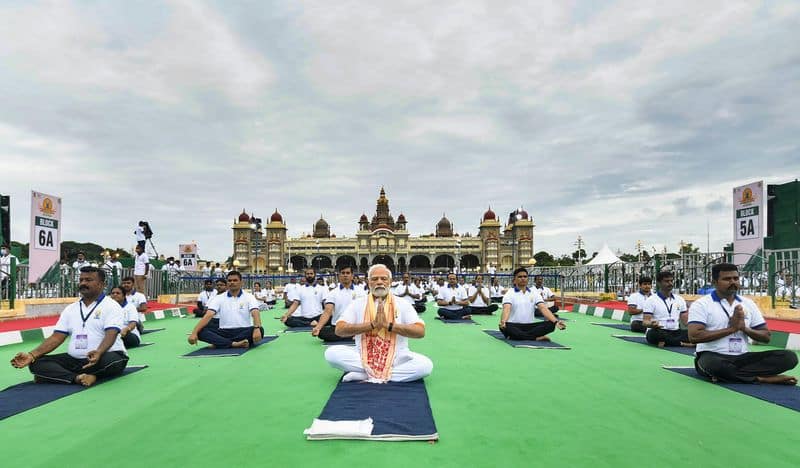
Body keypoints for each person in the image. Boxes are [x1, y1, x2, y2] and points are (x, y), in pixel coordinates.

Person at [10, 267, 128, 386]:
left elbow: (111, 333)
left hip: (104, 356)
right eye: (81, 280)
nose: (83, 283)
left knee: (112, 361)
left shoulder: (112, 306)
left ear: (102, 284)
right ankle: (78, 377)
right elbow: (57, 337)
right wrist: (32, 355)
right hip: (75, 360)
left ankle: (57, 376)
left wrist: (99, 352)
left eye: (88, 280)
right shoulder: (71, 309)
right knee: (37, 363)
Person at [688, 263, 798, 384]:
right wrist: (731, 329)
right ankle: (762, 378)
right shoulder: (702, 304)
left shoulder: (748, 303)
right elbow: (694, 337)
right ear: (714, 282)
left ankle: (734, 375)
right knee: (715, 366)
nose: (733, 282)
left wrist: (745, 329)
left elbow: (766, 337)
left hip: (743, 357)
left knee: (789, 358)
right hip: (712, 355)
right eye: (727, 279)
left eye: (735, 278)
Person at [324, 264, 432, 383]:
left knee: (425, 366)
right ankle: (383, 372)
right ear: (368, 282)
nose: (379, 282)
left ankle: (367, 373)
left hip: (397, 356)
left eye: (383, 279)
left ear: (390, 282)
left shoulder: (403, 303)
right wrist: (372, 325)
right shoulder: (358, 303)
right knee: (331, 354)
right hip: (363, 353)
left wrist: (388, 325)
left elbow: (420, 331)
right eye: (375, 279)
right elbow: (339, 329)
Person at [188, 271, 263, 349]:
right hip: (224, 331)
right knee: (200, 332)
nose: (232, 282)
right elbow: (208, 315)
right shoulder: (219, 298)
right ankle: (233, 344)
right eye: (229, 281)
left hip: (243, 330)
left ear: (241, 282)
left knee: (260, 330)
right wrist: (194, 332)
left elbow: (255, 312)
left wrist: (257, 328)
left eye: (235, 280)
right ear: (227, 283)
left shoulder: (249, 296)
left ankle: (221, 342)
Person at [499, 267, 566, 341]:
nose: (523, 278)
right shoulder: (510, 293)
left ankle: (518, 336)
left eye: (525, 276)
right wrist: (504, 321)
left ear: (528, 279)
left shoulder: (534, 293)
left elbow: (543, 308)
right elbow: (506, 308)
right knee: (506, 327)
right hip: (513, 325)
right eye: (520, 277)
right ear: (514, 280)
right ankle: (534, 338)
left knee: (551, 324)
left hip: (529, 326)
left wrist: (556, 322)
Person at [313, 266, 366, 342]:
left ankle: (352, 335)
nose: (345, 275)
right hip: (337, 327)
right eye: (343, 273)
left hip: (355, 326)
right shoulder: (333, 293)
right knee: (322, 332)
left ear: (352, 276)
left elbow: (364, 310)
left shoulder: (361, 292)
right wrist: (318, 328)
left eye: (348, 273)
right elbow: (327, 312)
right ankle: (352, 336)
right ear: (339, 276)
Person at [642, 271, 692, 348]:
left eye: (671, 281)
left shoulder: (680, 299)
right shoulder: (651, 300)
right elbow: (645, 322)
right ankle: (682, 344)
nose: (670, 283)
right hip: (659, 330)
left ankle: (669, 342)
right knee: (655, 335)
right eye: (667, 281)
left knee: (692, 334)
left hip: (675, 331)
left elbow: (686, 322)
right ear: (659, 283)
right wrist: (651, 324)